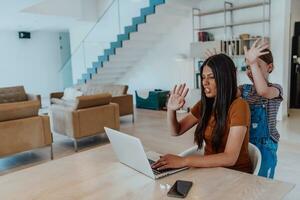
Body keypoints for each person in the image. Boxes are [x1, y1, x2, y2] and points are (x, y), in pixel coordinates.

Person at [152, 54, 252, 173]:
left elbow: (230, 158)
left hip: (235, 175)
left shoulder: (239, 106)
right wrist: (171, 109)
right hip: (210, 172)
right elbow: (176, 131)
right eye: (203, 77)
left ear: (226, 78)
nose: (205, 82)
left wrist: (184, 161)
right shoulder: (205, 104)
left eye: (211, 77)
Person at [240, 40, 283, 178]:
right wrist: (219, 67)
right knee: (246, 179)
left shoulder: (275, 89)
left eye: (256, 66)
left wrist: (252, 63)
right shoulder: (244, 89)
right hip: (244, 143)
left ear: (269, 67)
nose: (251, 71)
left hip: (266, 147)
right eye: (248, 67)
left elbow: (262, 91)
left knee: (262, 183)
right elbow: (226, 90)